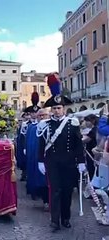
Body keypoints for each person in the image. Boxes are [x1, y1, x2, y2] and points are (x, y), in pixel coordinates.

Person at [37, 73, 86, 232]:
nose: (57, 111)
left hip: (69, 162)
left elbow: (78, 144)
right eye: (54, 108)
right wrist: (40, 160)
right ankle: (54, 221)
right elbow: (42, 143)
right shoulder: (46, 125)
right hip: (53, 162)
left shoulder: (73, 123)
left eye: (59, 108)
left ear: (64, 108)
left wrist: (81, 162)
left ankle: (65, 217)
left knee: (66, 192)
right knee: (55, 191)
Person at [26, 108, 49, 211]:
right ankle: (45, 200)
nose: (42, 117)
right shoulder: (33, 127)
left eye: (44, 115)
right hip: (37, 158)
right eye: (40, 116)